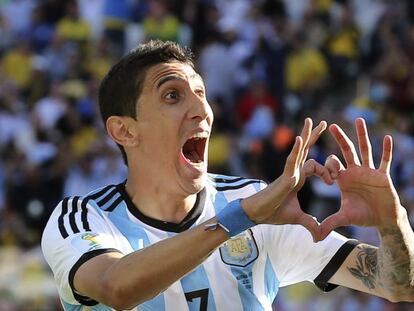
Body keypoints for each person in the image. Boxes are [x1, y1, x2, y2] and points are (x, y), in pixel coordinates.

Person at [41, 40, 414, 310]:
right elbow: (117, 287)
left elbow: (399, 285)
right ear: (125, 131)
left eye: (201, 93)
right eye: (173, 95)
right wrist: (241, 218)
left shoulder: (254, 202)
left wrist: (393, 223)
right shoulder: (84, 219)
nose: (202, 108)